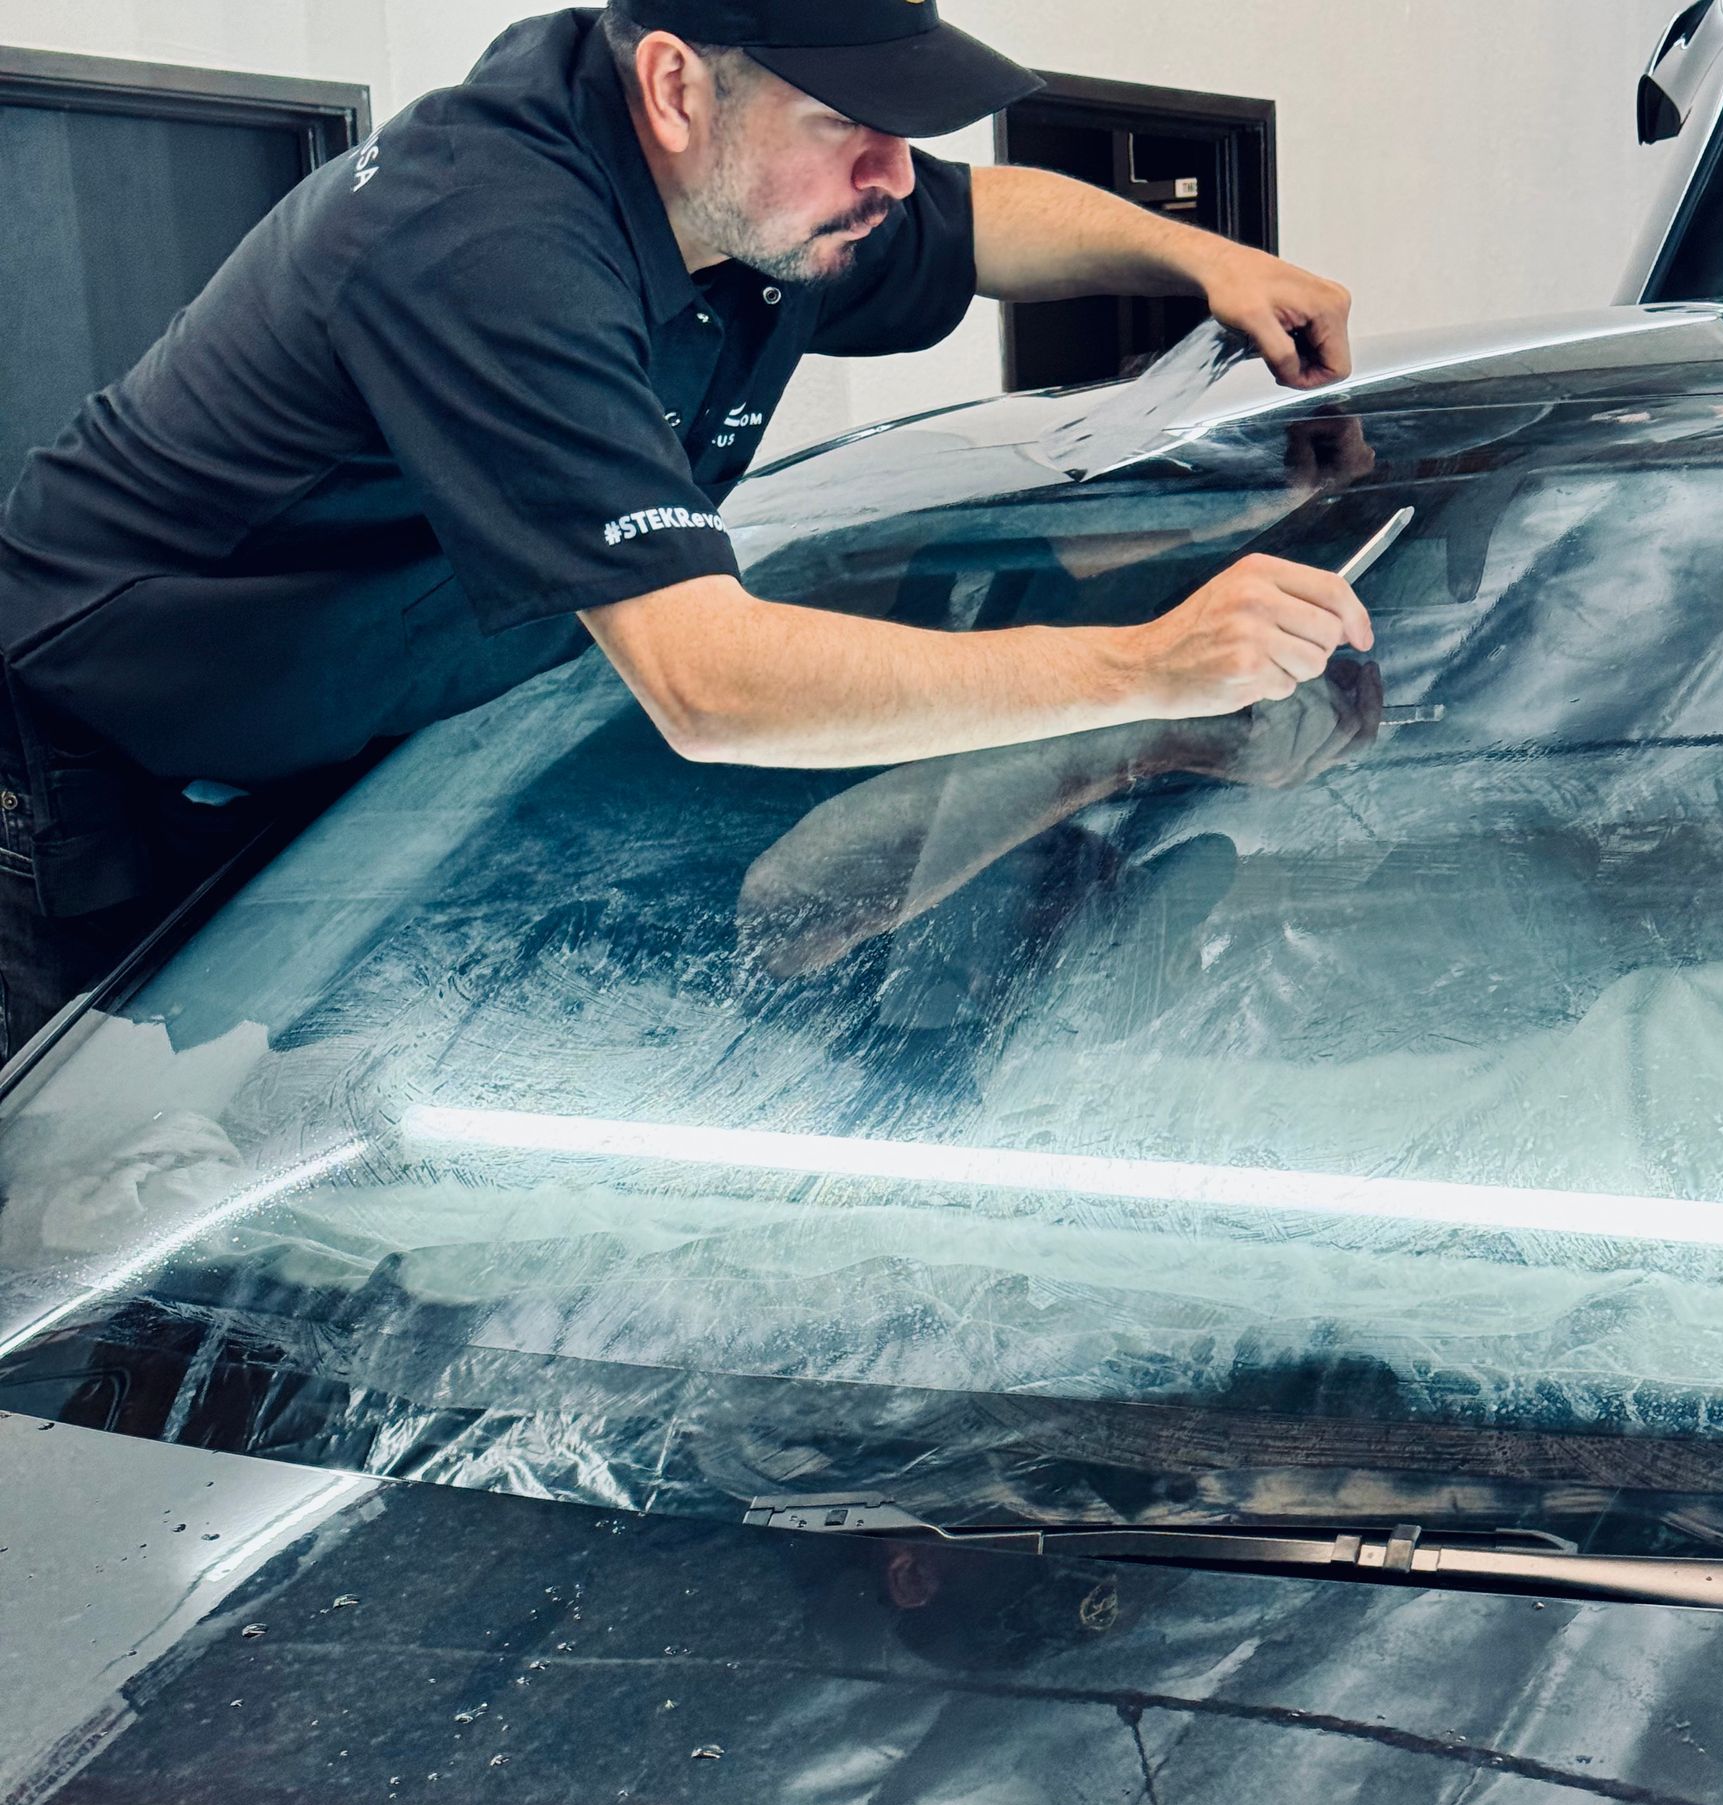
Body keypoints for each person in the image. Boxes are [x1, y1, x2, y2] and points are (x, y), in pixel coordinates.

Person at [0, 0, 1371, 1059]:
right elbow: (715, 688)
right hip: (72, 792)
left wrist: (1204, 257)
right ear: (673, 86)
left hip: (348, 767)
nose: (894, 173)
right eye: (854, 127)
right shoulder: (490, 246)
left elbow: (974, 222)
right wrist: (1152, 672)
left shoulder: (758, 193)